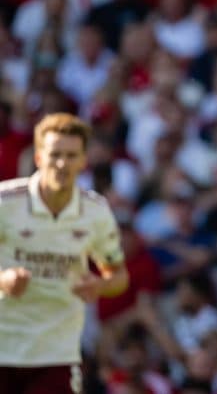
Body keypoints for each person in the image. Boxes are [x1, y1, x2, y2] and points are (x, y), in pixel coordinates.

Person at [0, 112, 128, 393]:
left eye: (71, 156)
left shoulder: (95, 211)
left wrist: (100, 285)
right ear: (38, 157)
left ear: (83, 161)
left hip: (56, 354)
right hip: (3, 346)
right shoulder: (5, 202)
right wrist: (3, 280)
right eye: (55, 154)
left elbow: (119, 276)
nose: (62, 163)